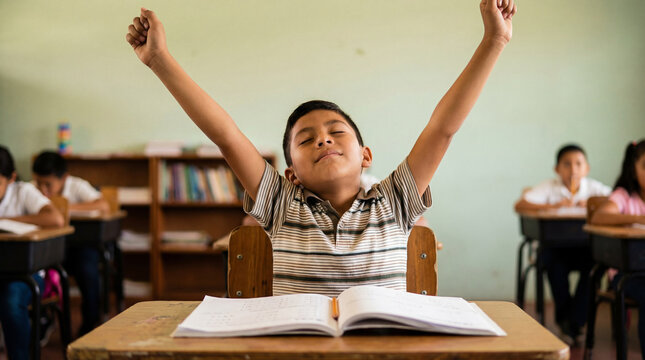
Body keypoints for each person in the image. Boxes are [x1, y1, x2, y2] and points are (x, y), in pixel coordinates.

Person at [126, 0, 516, 296]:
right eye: (306, 139)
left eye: (335, 132)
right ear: (290, 172)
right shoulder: (281, 203)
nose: (323, 139)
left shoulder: (394, 200)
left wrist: (494, 40)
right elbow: (226, 135)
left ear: (366, 156)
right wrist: (160, 60)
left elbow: (443, 129)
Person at [514, 144, 611, 344]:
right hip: (556, 248)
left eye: (578, 164)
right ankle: (569, 322)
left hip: (586, 250)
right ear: (557, 169)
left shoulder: (594, 189)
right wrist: (552, 205)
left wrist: (596, 205)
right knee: (551, 262)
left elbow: (616, 203)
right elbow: (520, 204)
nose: (573, 170)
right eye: (567, 164)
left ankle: (573, 321)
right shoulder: (550, 187)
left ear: (587, 169)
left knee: (596, 267)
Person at [32, 150, 109, 336]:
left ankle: (90, 324)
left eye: (48, 184)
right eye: (39, 183)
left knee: (87, 269)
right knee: (36, 271)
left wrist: (63, 209)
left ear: (64, 177)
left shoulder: (77, 186)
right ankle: (44, 318)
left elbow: (103, 205)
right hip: (48, 249)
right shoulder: (30, 189)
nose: (43, 190)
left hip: (79, 247)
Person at [0, 146, 64, 360]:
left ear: (11, 178)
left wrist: (7, 221)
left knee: (11, 300)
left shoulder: (23, 192)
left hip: (27, 274)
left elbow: (55, 219)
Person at [591, 139, 645, 359]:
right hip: (628, 273)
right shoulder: (624, 196)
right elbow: (599, 217)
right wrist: (639, 218)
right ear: (633, 171)